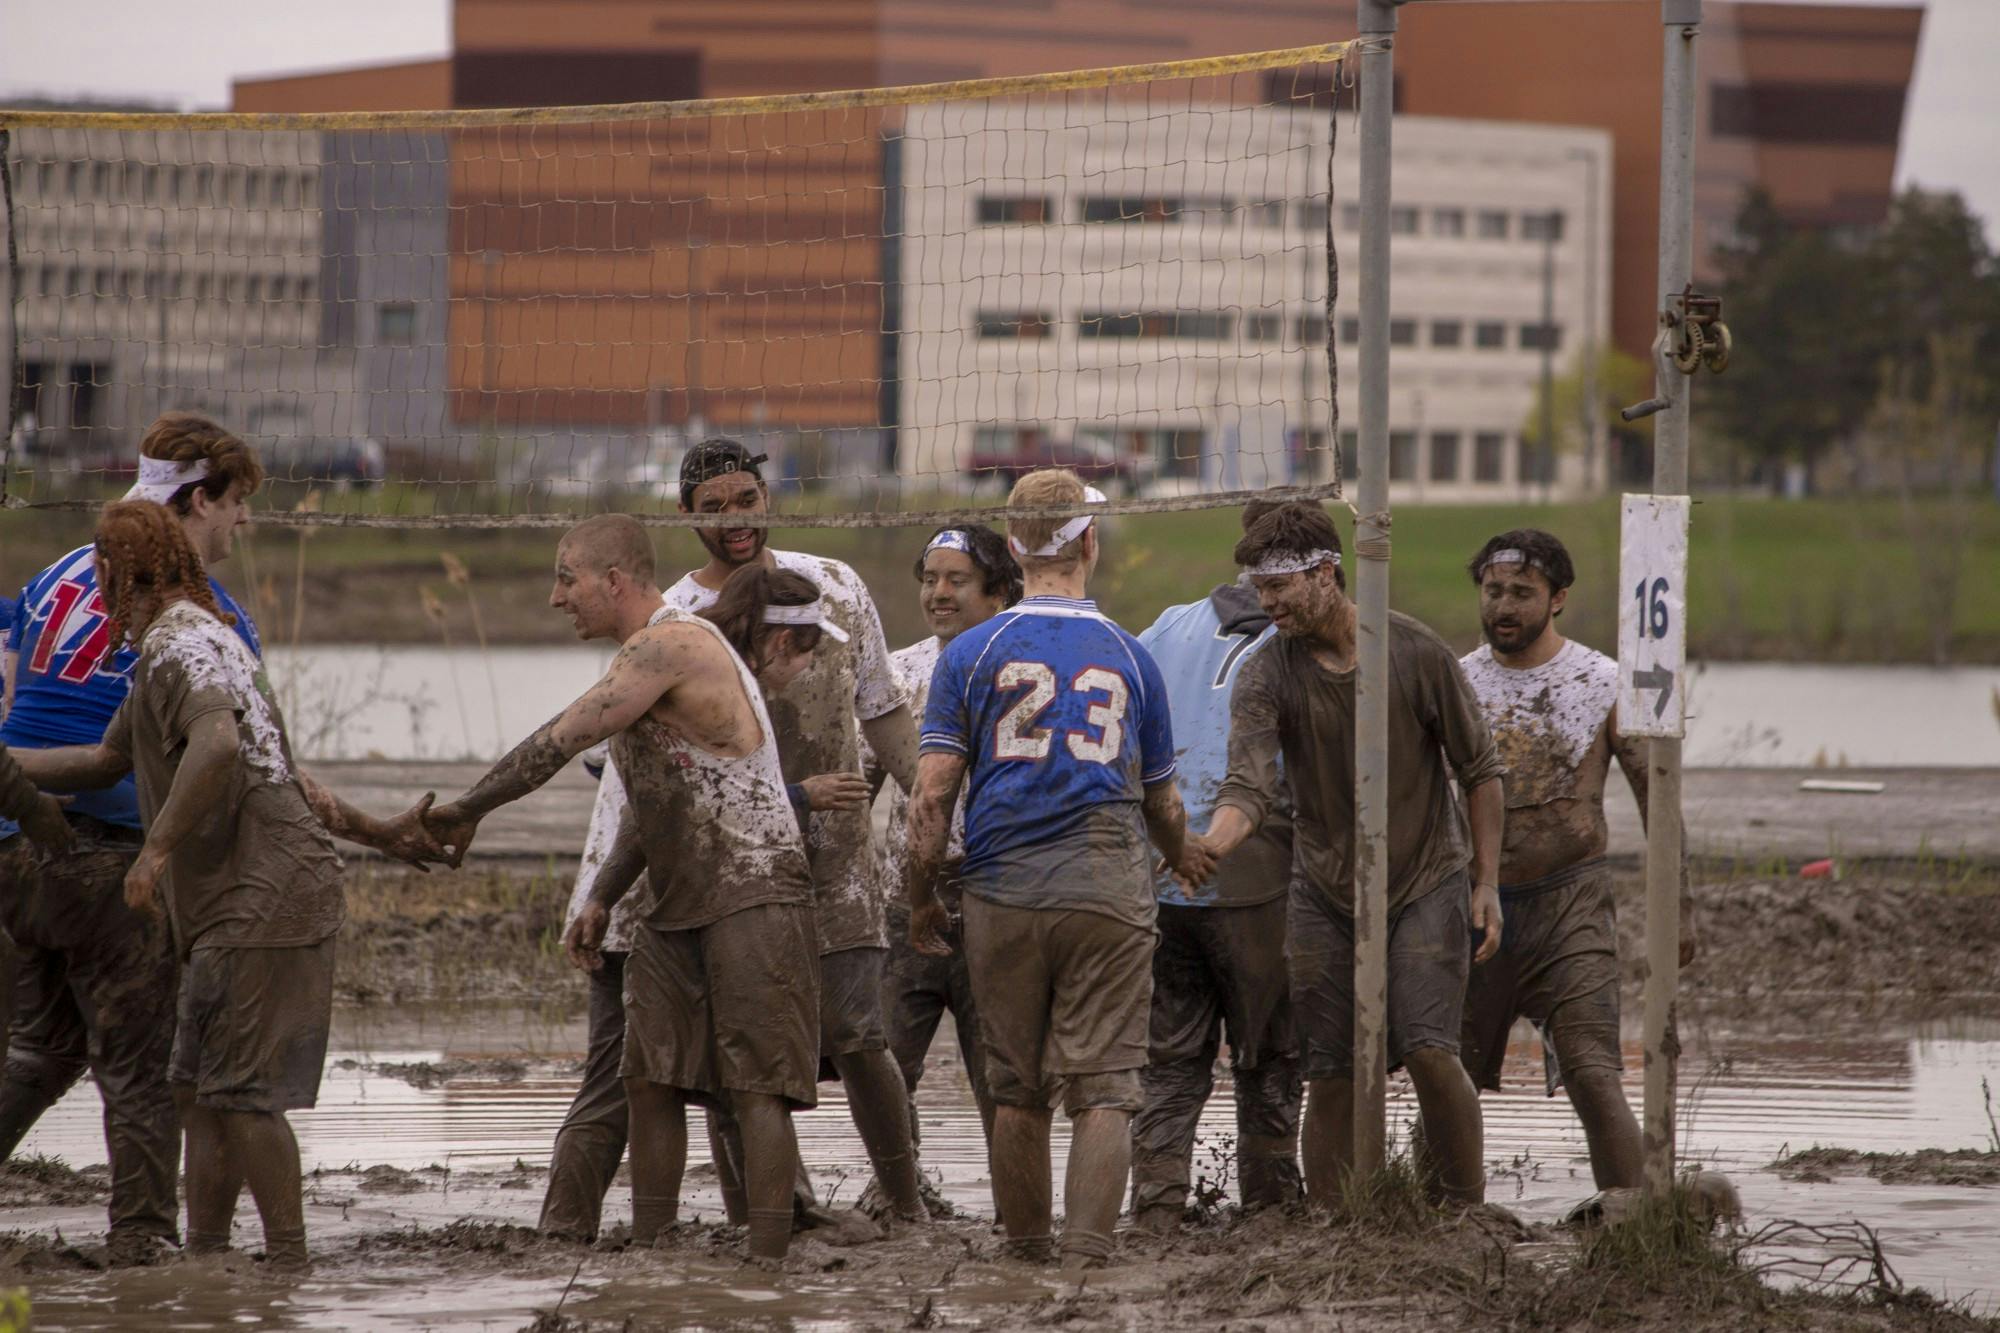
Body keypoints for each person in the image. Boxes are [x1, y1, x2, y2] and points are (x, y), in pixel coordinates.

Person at [14, 501, 438, 1269]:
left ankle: (288, 1263)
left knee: (242, 1094)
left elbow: (216, 744)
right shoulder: (171, 646)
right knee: (194, 1087)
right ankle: (208, 1259)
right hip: (229, 902)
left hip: (267, 892)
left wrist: (154, 853)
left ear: (116, 572)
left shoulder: (184, 643)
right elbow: (102, 763)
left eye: (100, 570)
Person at [423, 515, 822, 1265]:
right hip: (679, 901)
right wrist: (603, 892)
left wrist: (466, 809)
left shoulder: (671, 643)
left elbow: (559, 738)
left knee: (757, 1088)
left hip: (757, 887)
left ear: (614, 581)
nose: (554, 597)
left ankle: (770, 1263)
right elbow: (656, 802)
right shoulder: (645, 658)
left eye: (566, 578)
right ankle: (652, 1249)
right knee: (648, 1076)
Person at [904, 468, 1198, 1271]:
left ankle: (1025, 1257)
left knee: (1017, 1088)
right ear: (1089, 543)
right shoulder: (1133, 657)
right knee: (1106, 1089)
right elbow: (1163, 803)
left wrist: (919, 894)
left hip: (1002, 888)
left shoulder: (971, 652)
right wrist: (1182, 858)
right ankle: (1087, 1261)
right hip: (1106, 887)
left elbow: (930, 798)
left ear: (1011, 547)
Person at [0, 412, 267, 1266]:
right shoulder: (206, 617)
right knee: (140, 1069)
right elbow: (237, 757)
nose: (243, 525)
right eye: (235, 506)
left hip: (14, 849)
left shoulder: (50, 575)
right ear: (195, 501)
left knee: (40, 1051)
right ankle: (144, 1245)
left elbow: (17, 703)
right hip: (110, 863)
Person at [1189, 501, 1506, 1207]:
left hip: (1425, 876)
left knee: (1429, 1048)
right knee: (1329, 1069)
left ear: (1327, 572)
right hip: (1323, 887)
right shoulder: (1266, 673)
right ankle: (1338, 1221)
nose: (1265, 602)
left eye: (1279, 587)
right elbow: (1249, 783)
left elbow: (1481, 771)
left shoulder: (1414, 651)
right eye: (1258, 589)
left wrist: (1485, 883)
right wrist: (1212, 843)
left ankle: (1462, 1208)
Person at [660, 438, 926, 1227]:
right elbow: (660, 768)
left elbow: (881, 708)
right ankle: (775, 1210)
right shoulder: (676, 617)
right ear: (685, 515)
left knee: (858, 1032)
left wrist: (935, 801)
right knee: (737, 1051)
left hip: (839, 863)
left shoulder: (835, 585)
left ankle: (905, 1201)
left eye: (747, 501)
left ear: (767, 497)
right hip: (729, 866)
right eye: (715, 509)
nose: (736, 520)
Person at [1455, 529, 1697, 1191]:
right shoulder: (1457, 681)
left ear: (1558, 598)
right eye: (1493, 589)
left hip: (1573, 905)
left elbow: (1658, 794)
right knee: (1450, 1074)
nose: (1504, 606)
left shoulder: (1603, 682)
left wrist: (1677, 909)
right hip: (1476, 905)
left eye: (1522, 593)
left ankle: (1631, 1216)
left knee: (1594, 1069)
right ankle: (1442, 1221)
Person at [1129, 541, 1302, 1231]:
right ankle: (1271, 1208)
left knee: (1167, 1061)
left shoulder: (1168, 624)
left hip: (1165, 874)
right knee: (1271, 1057)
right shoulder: (1294, 640)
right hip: (1256, 880)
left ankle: (1157, 1210)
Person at [866, 523, 1020, 1218]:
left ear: (1000, 589)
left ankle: (1018, 1208)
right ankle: (900, 1195)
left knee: (1003, 1072)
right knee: (888, 1060)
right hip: (908, 896)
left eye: (957, 579)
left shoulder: (1025, 664)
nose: (939, 592)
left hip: (998, 891)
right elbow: (862, 784)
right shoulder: (898, 673)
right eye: (930, 578)